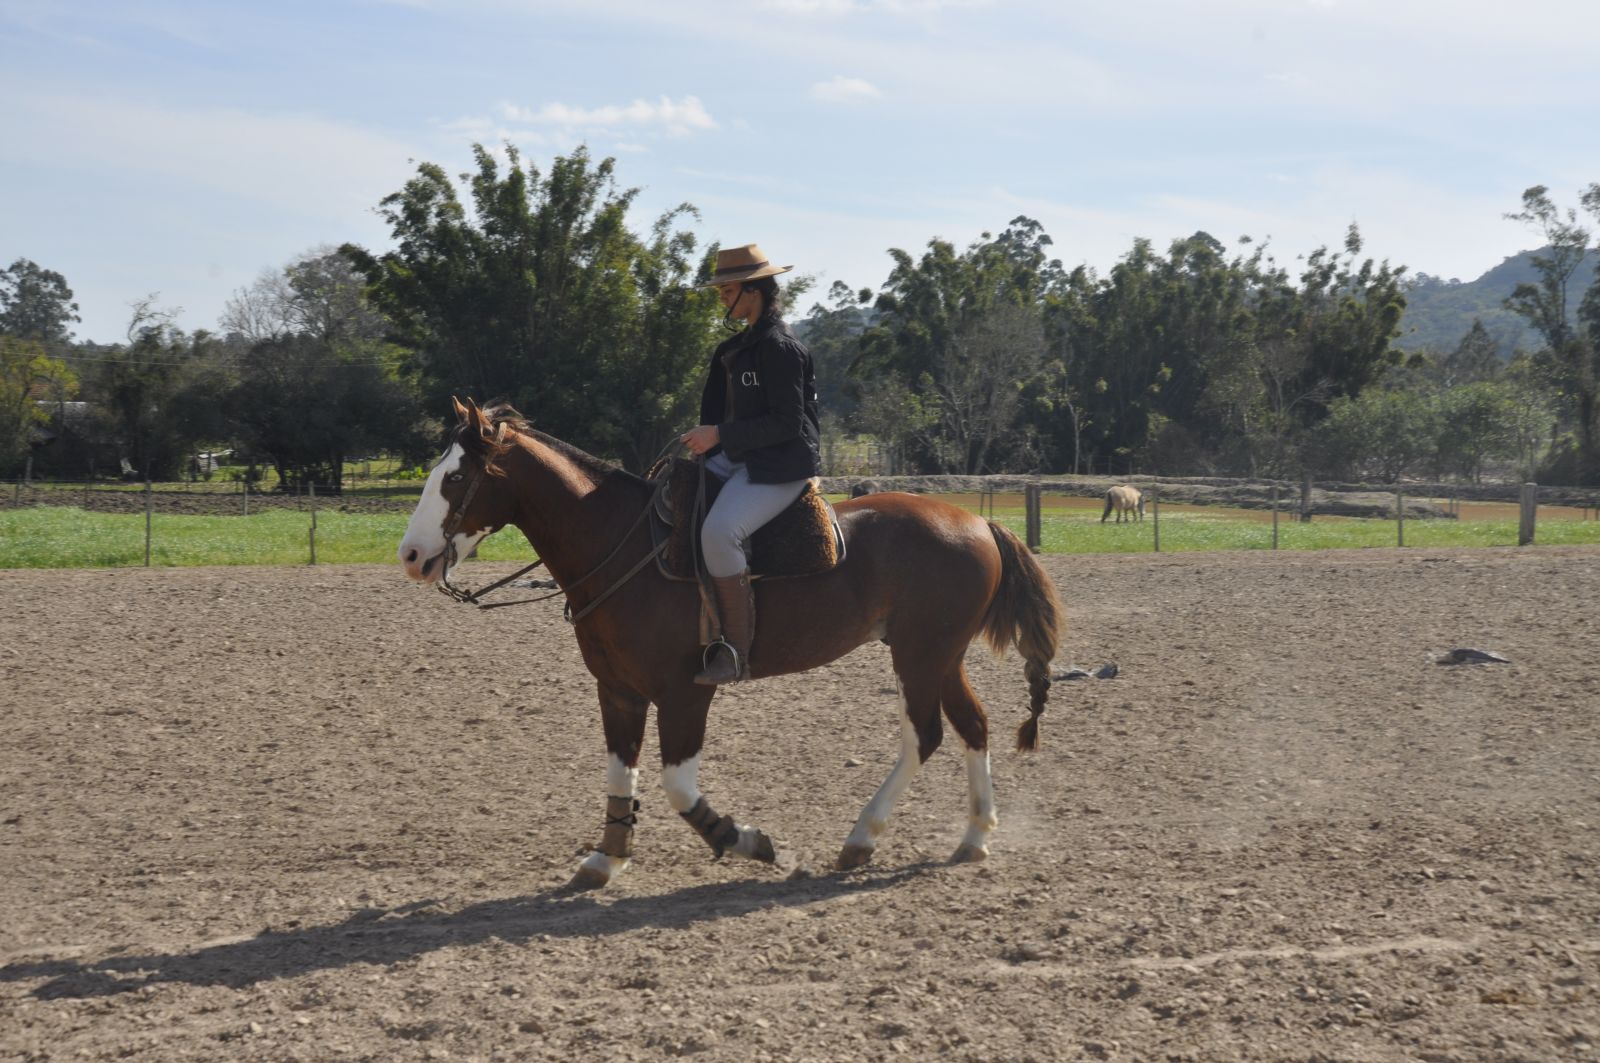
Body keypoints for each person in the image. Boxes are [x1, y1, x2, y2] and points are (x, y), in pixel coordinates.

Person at [680, 244, 821, 684]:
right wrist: (705, 442)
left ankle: (735, 651)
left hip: (781, 466)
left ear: (754, 291)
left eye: (728, 289)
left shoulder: (781, 348)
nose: (722, 297)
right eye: (721, 290)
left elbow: (786, 423)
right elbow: (718, 414)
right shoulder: (733, 348)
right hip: (738, 459)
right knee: (670, 494)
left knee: (719, 532)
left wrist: (718, 436)